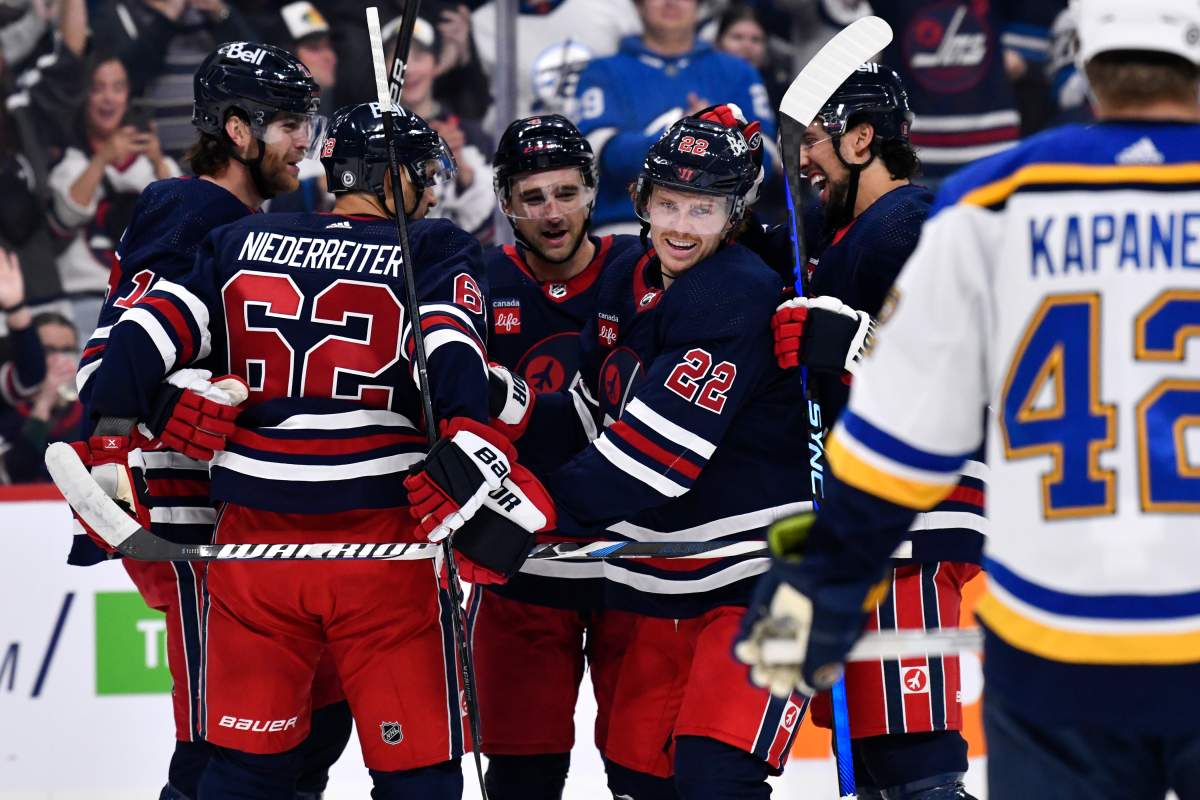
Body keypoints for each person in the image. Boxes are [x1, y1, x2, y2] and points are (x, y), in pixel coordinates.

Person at [737, 1, 1200, 798]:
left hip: (1058, 641)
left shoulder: (988, 204)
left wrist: (806, 598)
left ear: (1080, 59)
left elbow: (903, 438)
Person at [78, 100, 544, 799]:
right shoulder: (431, 247)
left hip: (254, 556)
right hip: (382, 550)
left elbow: (146, 334)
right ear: (394, 181)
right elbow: (448, 348)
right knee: (417, 771)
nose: (431, 190)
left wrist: (112, 433)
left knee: (244, 770)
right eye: (422, 174)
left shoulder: (244, 241)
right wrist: (466, 428)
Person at [414, 111, 811, 799]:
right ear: (641, 203)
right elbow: (595, 414)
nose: (683, 226)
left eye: (704, 209)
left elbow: (655, 456)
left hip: (770, 584)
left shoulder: (734, 291)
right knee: (636, 779)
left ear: (736, 212)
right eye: (669, 205)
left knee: (718, 780)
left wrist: (518, 517)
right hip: (663, 584)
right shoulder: (630, 278)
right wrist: (496, 432)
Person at [70, 41, 352, 800]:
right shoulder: (191, 208)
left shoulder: (250, 218)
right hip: (183, 508)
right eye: (291, 124)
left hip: (240, 507)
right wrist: (161, 406)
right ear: (235, 129)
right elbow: (107, 362)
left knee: (311, 720)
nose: (306, 143)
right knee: (219, 737)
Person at [751, 63, 984, 799]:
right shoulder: (847, 230)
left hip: (914, 515)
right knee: (884, 753)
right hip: (865, 519)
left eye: (815, 140)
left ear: (861, 139)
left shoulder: (910, 221)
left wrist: (850, 344)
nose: (805, 159)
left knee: (916, 757)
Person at [469, 113, 643, 799]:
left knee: (647, 772)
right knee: (521, 776)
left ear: (592, 192)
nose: (551, 212)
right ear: (506, 201)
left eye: (567, 193)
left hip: (632, 562)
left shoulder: (639, 268)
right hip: (521, 565)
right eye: (533, 196)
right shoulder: (476, 281)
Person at [573, 0, 777, 234]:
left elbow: (766, 161)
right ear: (639, 6)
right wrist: (691, 136)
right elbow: (604, 158)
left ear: (698, 7)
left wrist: (708, 137)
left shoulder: (738, 72)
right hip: (628, 224)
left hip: (718, 225)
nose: (670, 2)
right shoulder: (603, 71)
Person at [817, 0, 1062, 189]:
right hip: (916, 155)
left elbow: (1040, 16)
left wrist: (1022, 58)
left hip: (991, 149)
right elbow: (838, 12)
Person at [48, 53, 180, 333]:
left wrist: (158, 161)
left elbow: (182, 220)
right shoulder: (71, 163)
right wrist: (102, 158)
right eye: (98, 88)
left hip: (144, 303)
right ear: (85, 96)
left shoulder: (152, 165)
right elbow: (66, 216)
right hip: (84, 301)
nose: (109, 98)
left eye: (117, 88)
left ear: (128, 95)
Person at [91, 0, 257, 160]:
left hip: (217, 163)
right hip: (152, 166)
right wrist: (169, 16)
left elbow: (255, 71)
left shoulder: (214, 13)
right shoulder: (120, 11)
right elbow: (128, 74)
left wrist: (221, 13)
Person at [385, 14, 495, 243]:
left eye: (419, 56)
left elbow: (493, 223)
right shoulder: (363, 132)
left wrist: (461, 166)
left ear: (437, 64)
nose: (409, 69)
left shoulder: (471, 135)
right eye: (398, 58)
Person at [471, 0, 641, 117]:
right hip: (533, 157)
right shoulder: (481, 23)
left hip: (610, 146)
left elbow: (648, 67)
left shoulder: (611, 5)